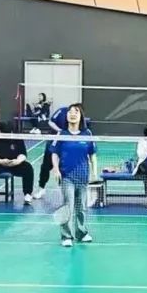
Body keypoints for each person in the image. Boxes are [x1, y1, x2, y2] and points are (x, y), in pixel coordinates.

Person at [50, 104, 97, 247]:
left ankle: (81, 233)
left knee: (81, 207)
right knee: (68, 206)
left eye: (76, 112)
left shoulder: (87, 133)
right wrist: (56, 169)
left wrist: (94, 173)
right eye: (69, 112)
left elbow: (92, 155)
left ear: (81, 116)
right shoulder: (61, 133)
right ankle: (66, 236)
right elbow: (54, 153)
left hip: (83, 175)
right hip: (67, 176)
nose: (72, 114)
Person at [36, 102, 88, 198]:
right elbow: (50, 122)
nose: (74, 113)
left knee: (67, 168)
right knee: (45, 166)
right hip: (54, 142)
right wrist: (60, 131)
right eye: (73, 110)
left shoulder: (82, 124)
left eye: (77, 112)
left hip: (68, 147)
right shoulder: (61, 111)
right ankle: (41, 188)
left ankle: (68, 190)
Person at [0, 120, 35, 204]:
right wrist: (0, 161)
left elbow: (23, 153)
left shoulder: (16, 137)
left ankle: (27, 195)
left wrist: (17, 161)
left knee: (28, 167)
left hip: (13, 164)